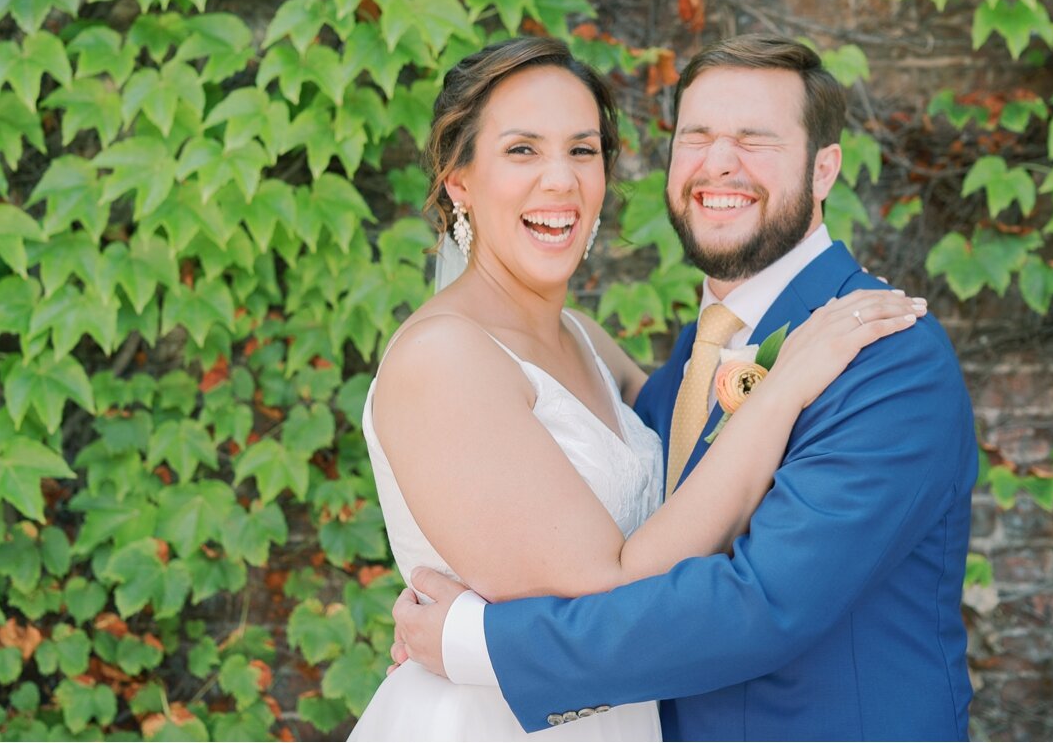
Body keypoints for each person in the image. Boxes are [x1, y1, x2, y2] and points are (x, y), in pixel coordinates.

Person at [352, 36, 934, 741]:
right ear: (459, 181)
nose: (560, 180)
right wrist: (781, 391)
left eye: (583, 149)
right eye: (522, 150)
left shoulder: (600, 346)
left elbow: (700, 529)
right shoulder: (443, 357)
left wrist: (469, 634)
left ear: (824, 169)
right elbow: (622, 584)